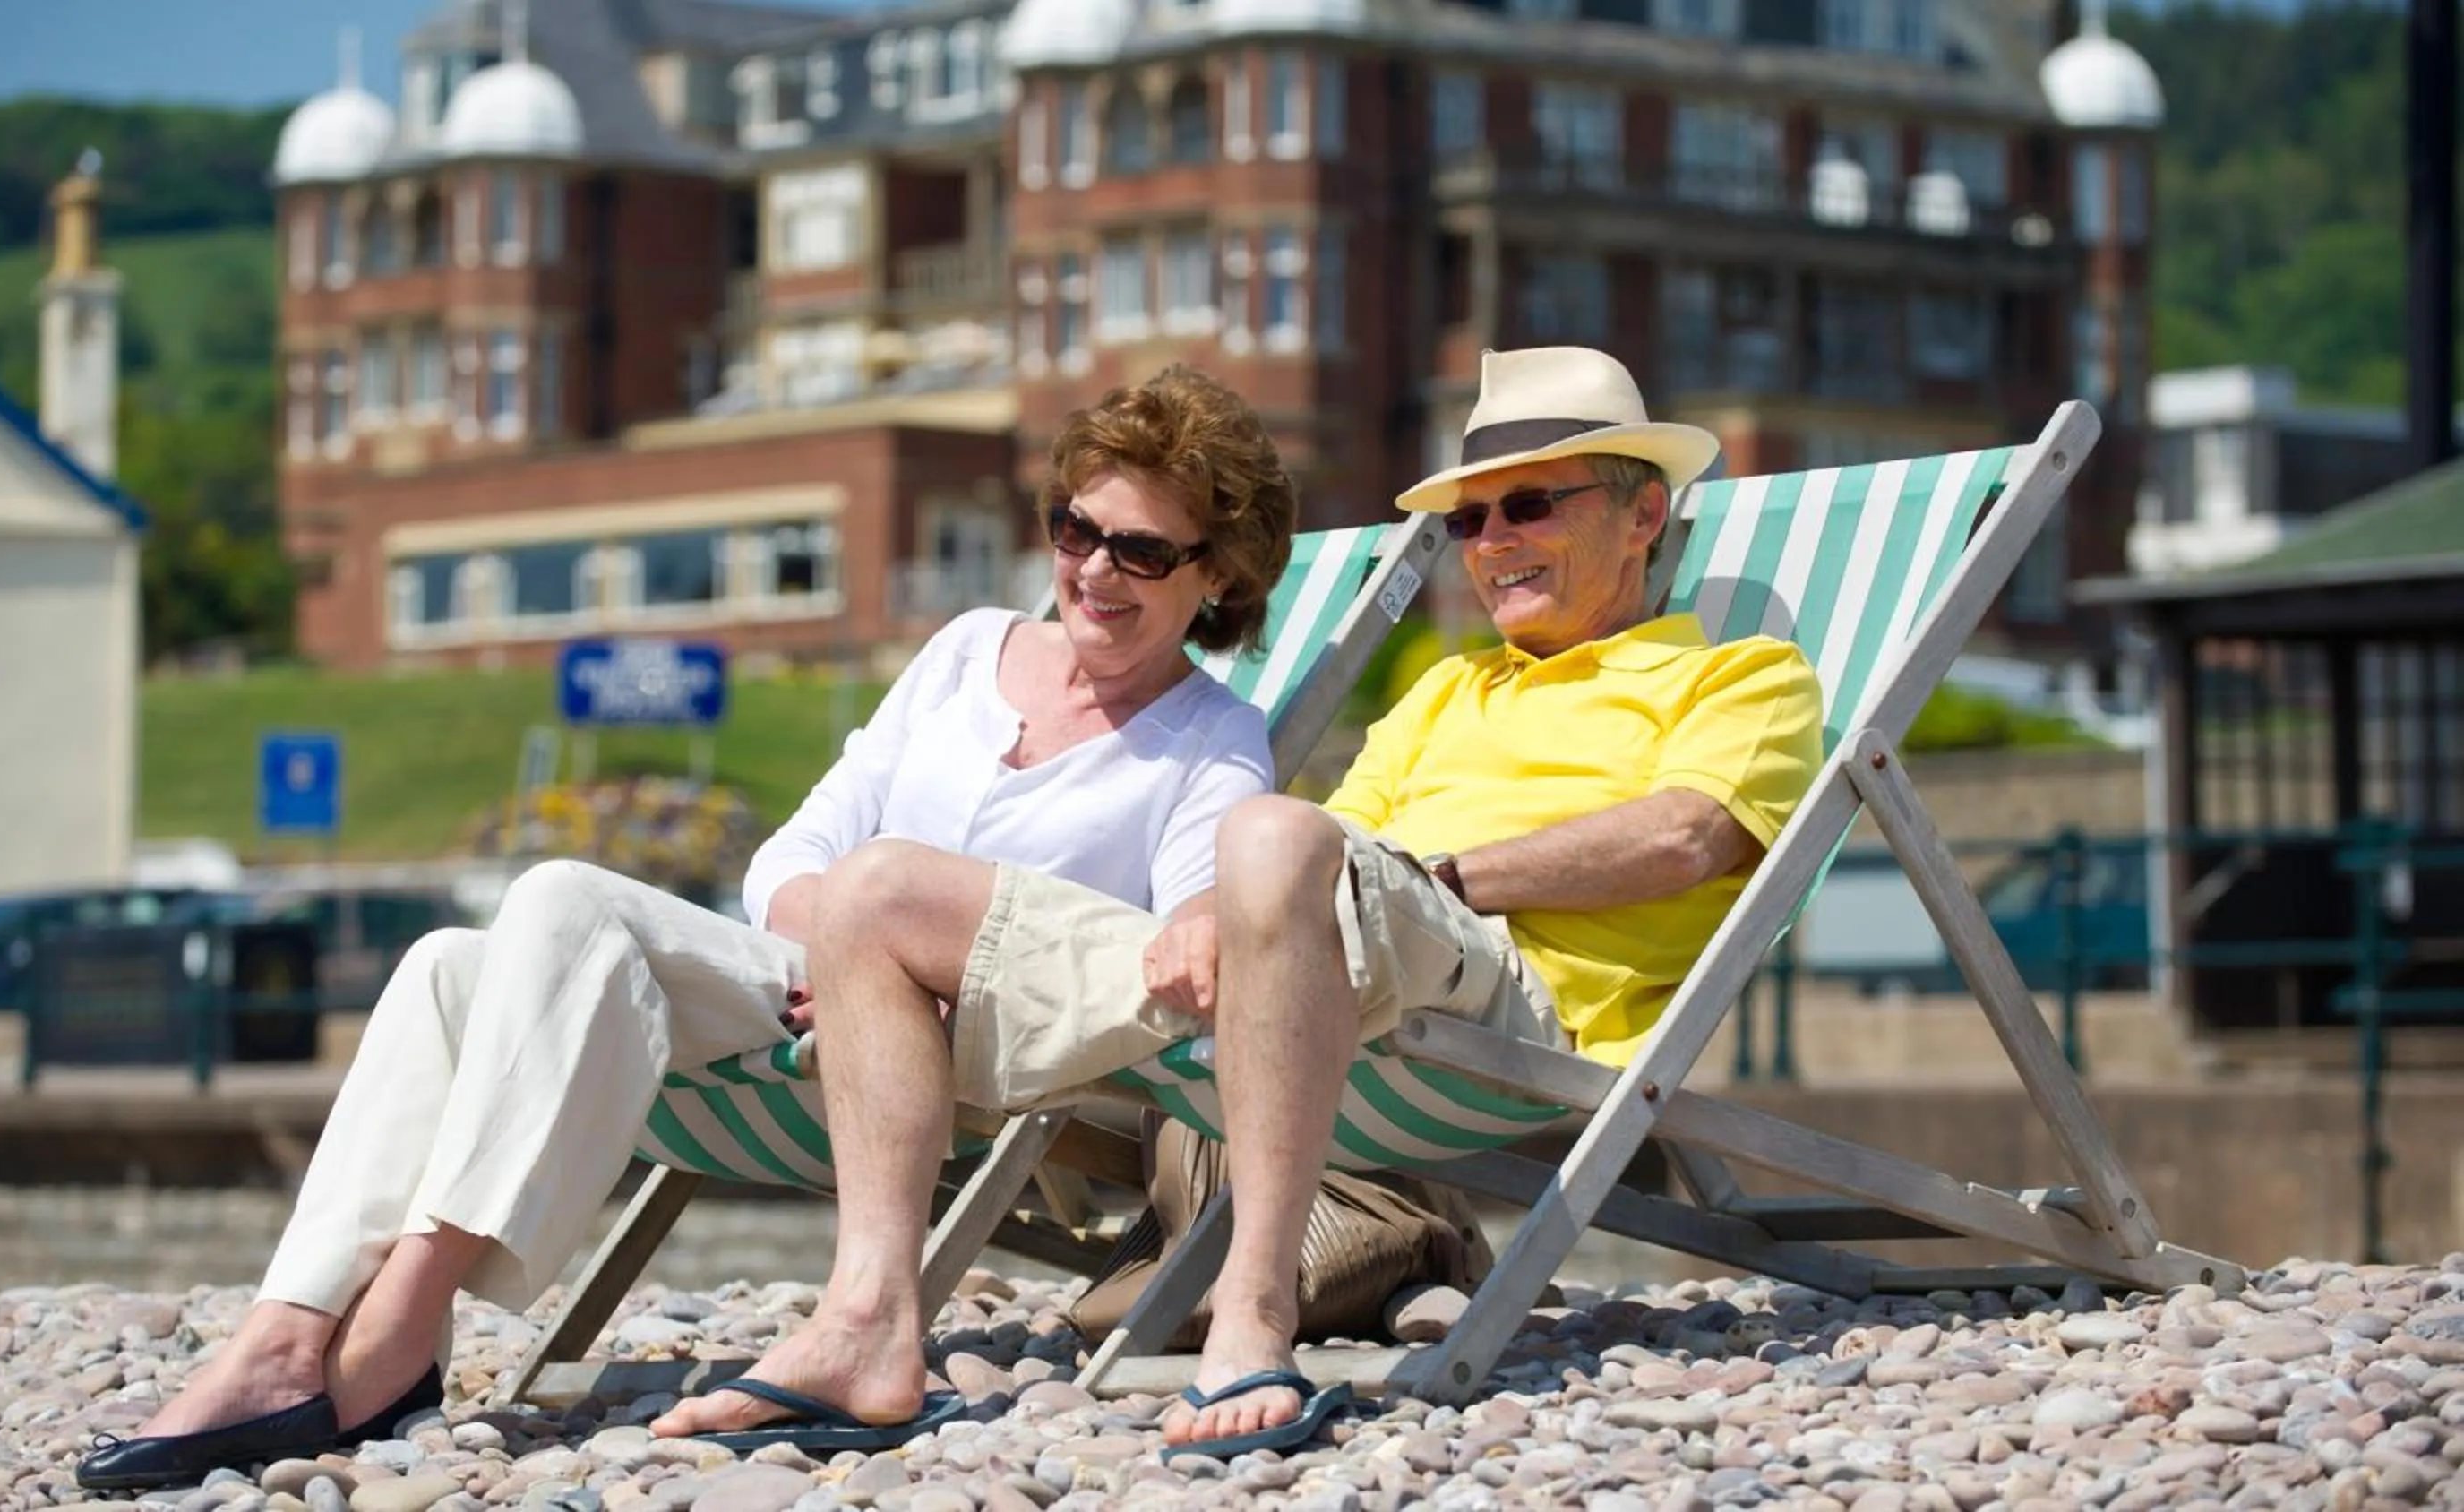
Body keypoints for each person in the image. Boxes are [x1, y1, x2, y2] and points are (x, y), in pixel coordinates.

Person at [76, 363, 1301, 1491]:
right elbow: (791, 861)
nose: (1093, 571)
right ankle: (287, 1328)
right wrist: (856, 951)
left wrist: (925, 959)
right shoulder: (967, 650)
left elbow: (1181, 931)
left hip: (980, 1043)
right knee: (449, 965)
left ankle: (400, 1318)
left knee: (566, 898)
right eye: (1075, 530)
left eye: (1141, 551)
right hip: (815, 986)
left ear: (1218, 576)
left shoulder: (1212, 743)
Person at [653, 346, 1823, 1459]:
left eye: (1530, 506)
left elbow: (1687, 835)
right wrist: (1214, 915)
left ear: (1644, 513)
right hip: (1329, 966)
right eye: (1472, 519)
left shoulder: (1740, 674)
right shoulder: (1444, 691)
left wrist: (1435, 880)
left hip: (1512, 1003)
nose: (1493, 542)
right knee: (877, 889)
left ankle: (1255, 1316)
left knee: (1266, 833)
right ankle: (867, 1324)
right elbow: (1323, 863)